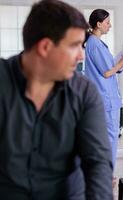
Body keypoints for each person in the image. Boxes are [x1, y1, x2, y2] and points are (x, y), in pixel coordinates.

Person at [0, 0, 113, 199]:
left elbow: (98, 163)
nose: (81, 56)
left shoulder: (84, 93)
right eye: (74, 46)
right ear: (45, 47)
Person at [84, 9, 123, 168]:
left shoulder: (96, 43)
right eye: (107, 22)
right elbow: (107, 72)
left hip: (105, 98)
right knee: (110, 138)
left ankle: (104, 173)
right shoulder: (94, 44)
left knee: (107, 137)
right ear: (98, 24)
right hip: (106, 99)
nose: (109, 26)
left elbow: (110, 67)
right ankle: (107, 174)